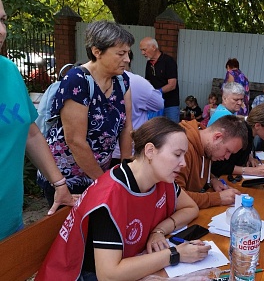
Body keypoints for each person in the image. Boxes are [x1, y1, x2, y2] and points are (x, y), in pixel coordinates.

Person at [36, 117, 211, 280]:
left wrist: (158, 231)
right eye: (177, 154)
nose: (183, 163)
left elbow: (190, 208)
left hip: (129, 262)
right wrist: (175, 254)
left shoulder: (160, 176)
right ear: (150, 151)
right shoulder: (111, 196)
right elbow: (108, 275)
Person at [0, 0, 75, 241]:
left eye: (3, 21)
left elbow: (30, 132)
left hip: (8, 222)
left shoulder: (8, 71)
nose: (1, 31)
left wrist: (59, 184)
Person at [36, 20, 134, 207]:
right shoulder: (77, 81)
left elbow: (127, 126)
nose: (128, 59)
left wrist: (126, 167)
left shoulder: (122, 81)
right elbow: (75, 141)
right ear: (97, 51)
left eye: (128, 53)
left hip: (100, 173)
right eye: (121, 53)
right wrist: (105, 181)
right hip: (68, 178)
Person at [176, 115, 248, 209]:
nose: (227, 157)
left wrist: (212, 179)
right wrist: (218, 198)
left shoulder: (208, 148)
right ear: (217, 137)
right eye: (227, 151)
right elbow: (176, 197)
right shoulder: (181, 149)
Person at [111, 50, 164, 167]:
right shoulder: (137, 82)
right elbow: (159, 104)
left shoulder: (94, 80)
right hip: (133, 150)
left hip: (104, 152)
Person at [212, 103, 264, 178]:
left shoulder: (248, 132)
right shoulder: (240, 136)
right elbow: (218, 166)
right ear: (257, 125)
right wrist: (251, 171)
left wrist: (249, 157)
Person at [140, 37, 180, 123]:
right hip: (155, 104)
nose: (142, 53)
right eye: (141, 50)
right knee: (156, 131)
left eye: (144, 50)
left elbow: (172, 85)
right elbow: (148, 82)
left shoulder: (168, 61)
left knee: (172, 131)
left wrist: (156, 92)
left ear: (154, 47)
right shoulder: (149, 63)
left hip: (170, 104)